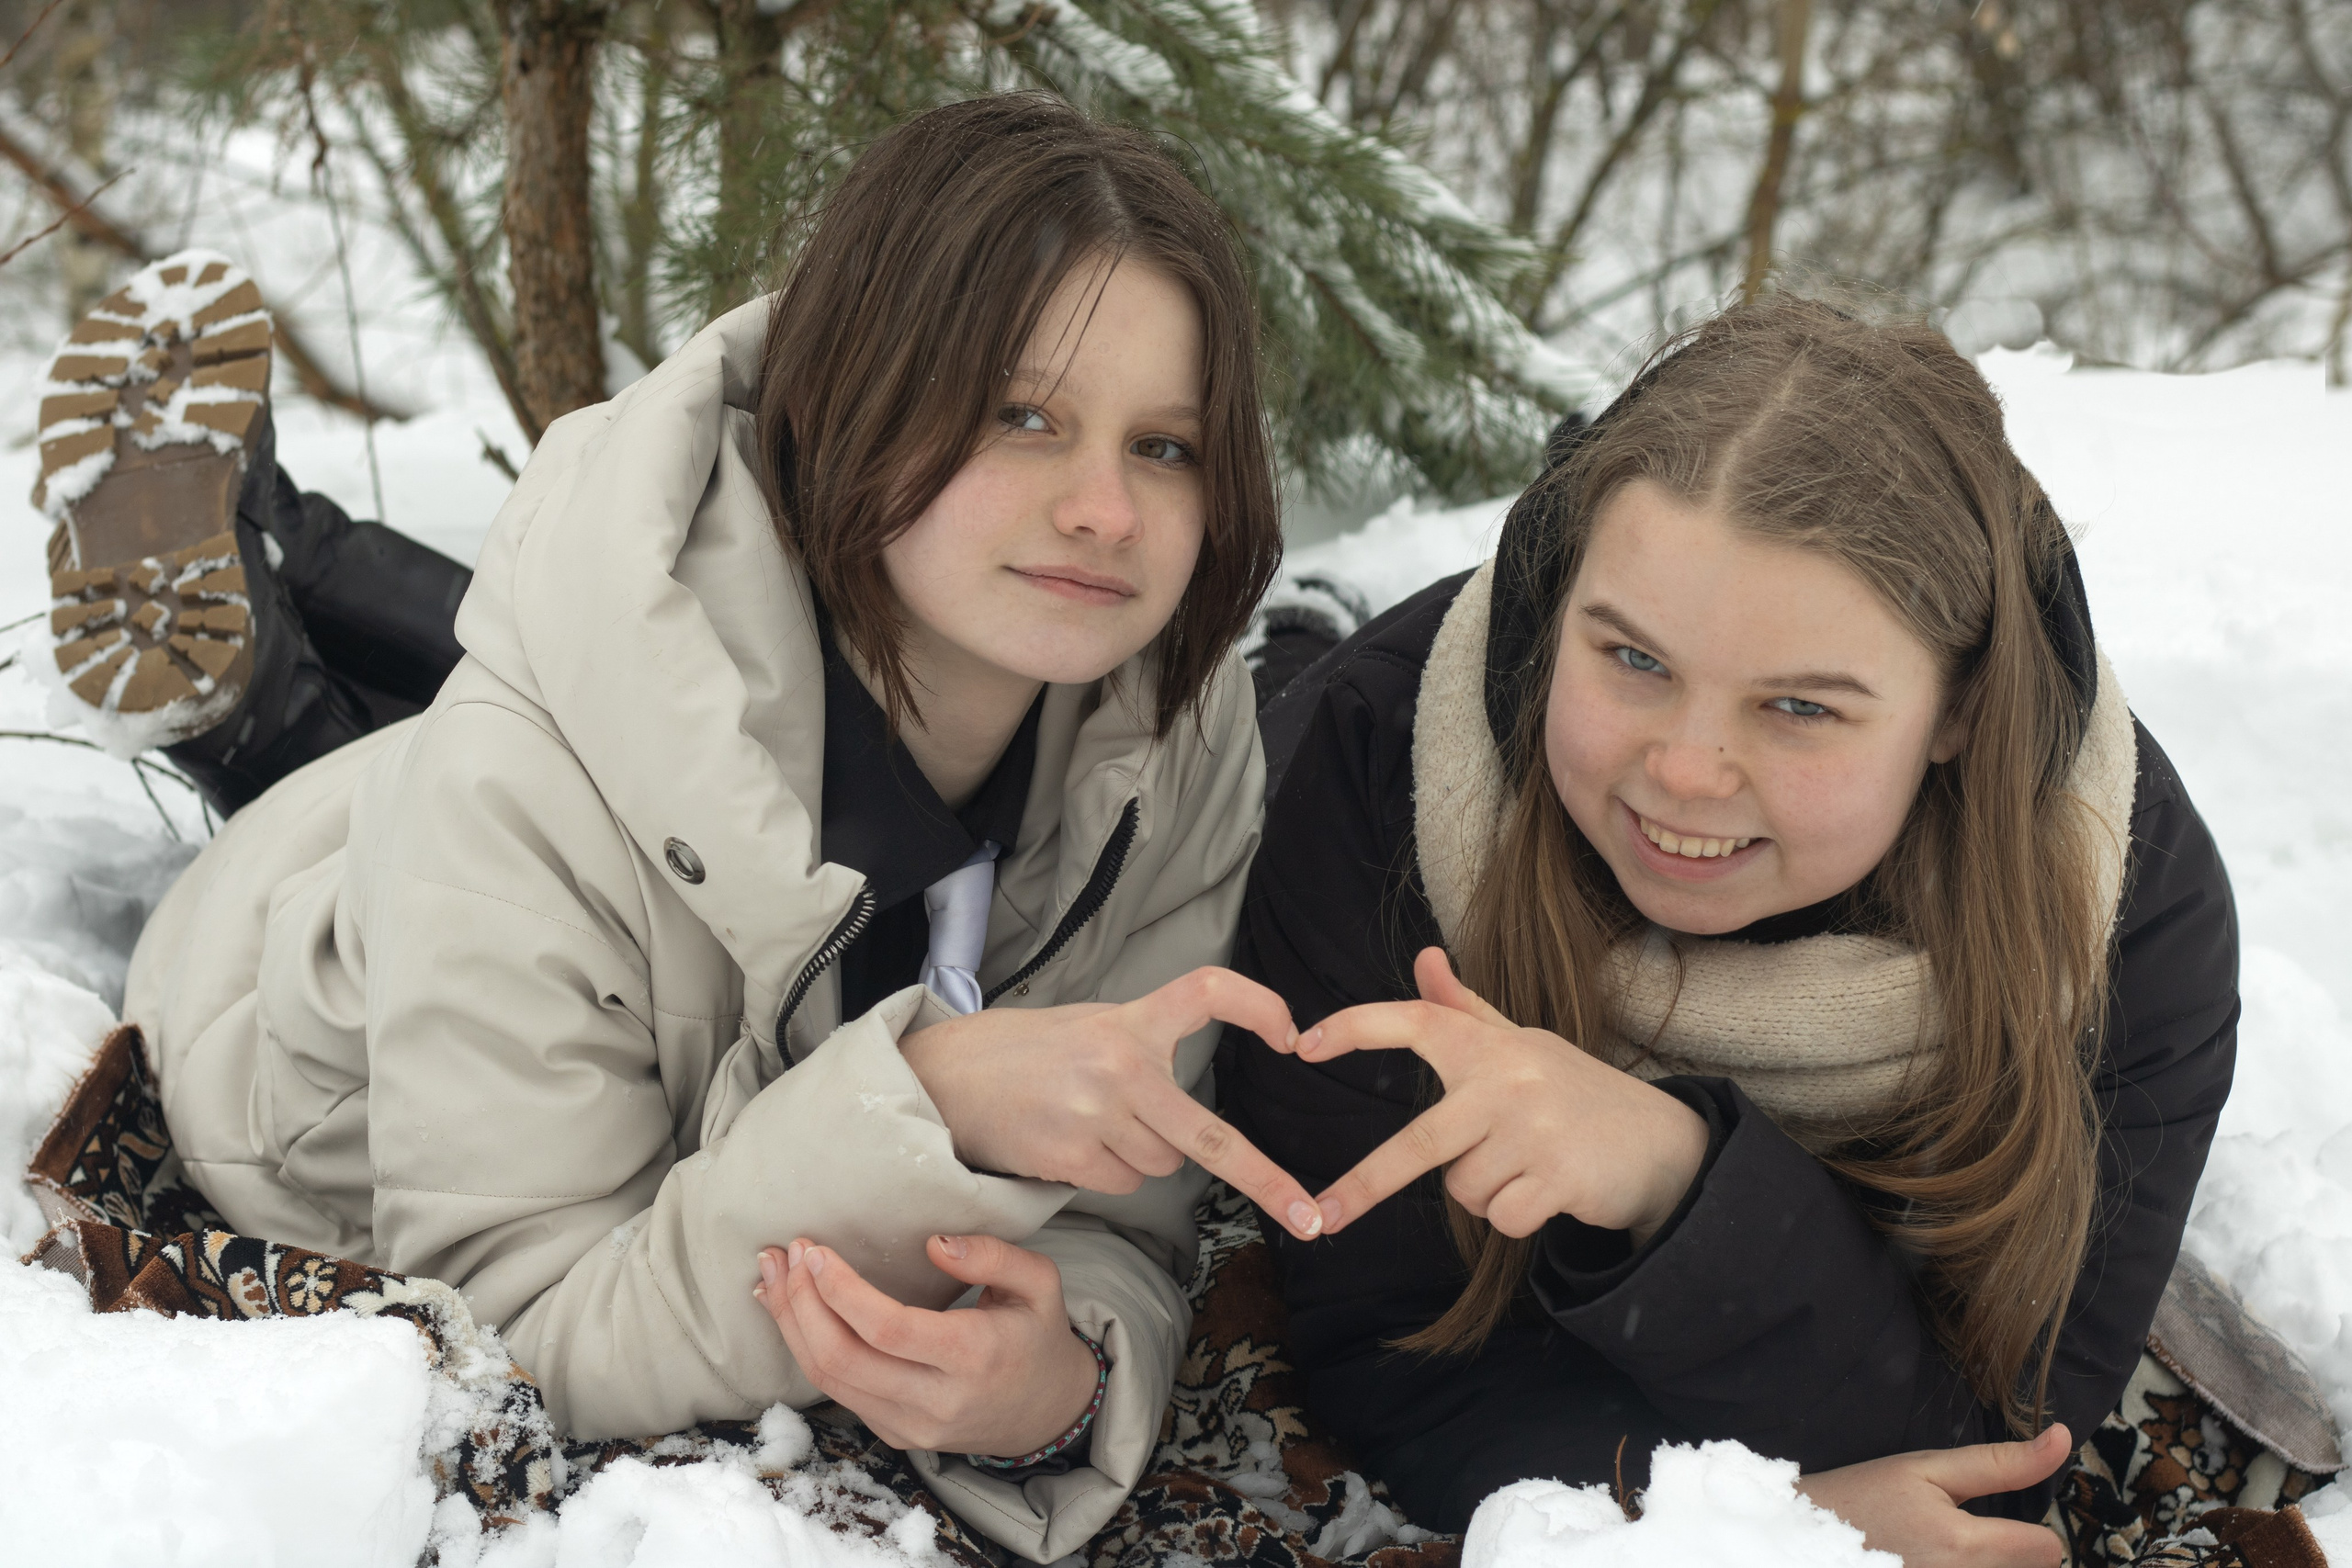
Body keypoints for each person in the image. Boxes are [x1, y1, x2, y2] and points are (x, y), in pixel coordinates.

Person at [38, 94, 1335, 1563]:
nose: (1106, 507)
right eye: (1022, 416)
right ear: (865, 390)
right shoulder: (522, 782)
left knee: (527, 681)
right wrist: (923, 1104)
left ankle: (267, 539)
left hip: (588, 793)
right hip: (292, 977)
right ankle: (242, 681)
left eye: (1164, 445)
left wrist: (1065, 1378)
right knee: (462, 717)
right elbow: (516, 1336)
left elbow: (1127, 1228)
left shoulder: (1172, 733)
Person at [1220, 294, 2235, 1568]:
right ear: (1558, 607)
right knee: (1267, 721)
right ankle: (1296, 630)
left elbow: (1991, 1453)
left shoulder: (2128, 906)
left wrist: (1678, 1179)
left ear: (1961, 712)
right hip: (1299, 725)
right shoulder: (1375, 768)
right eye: (1632, 660)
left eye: (1800, 706)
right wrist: (1742, 1523)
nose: (1687, 773)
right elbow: (1392, 1355)